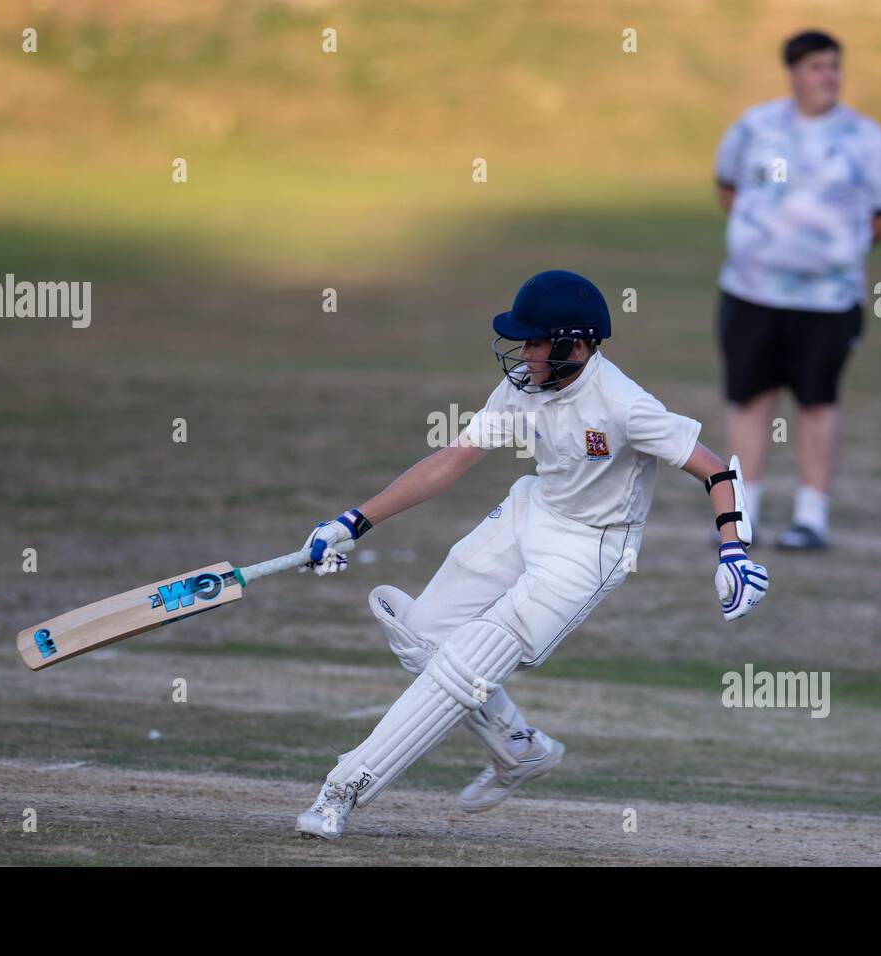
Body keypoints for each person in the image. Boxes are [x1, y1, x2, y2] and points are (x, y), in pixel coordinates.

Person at [292, 269, 769, 840]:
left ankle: (342, 788)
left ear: (575, 343)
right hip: (530, 512)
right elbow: (452, 458)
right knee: (422, 634)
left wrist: (733, 552)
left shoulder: (625, 404)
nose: (524, 353)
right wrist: (353, 521)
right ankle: (519, 748)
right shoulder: (524, 382)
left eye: (536, 342)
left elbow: (715, 469)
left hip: (592, 548)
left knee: (466, 663)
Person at [714, 29, 881, 550]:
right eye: (818, 67)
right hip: (751, 291)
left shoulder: (865, 138)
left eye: (835, 67)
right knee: (750, 397)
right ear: (794, 72)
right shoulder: (755, 127)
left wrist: (835, 252)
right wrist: (768, 240)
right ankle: (742, 512)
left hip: (827, 300)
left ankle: (810, 516)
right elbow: (727, 186)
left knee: (818, 401)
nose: (829, 76)